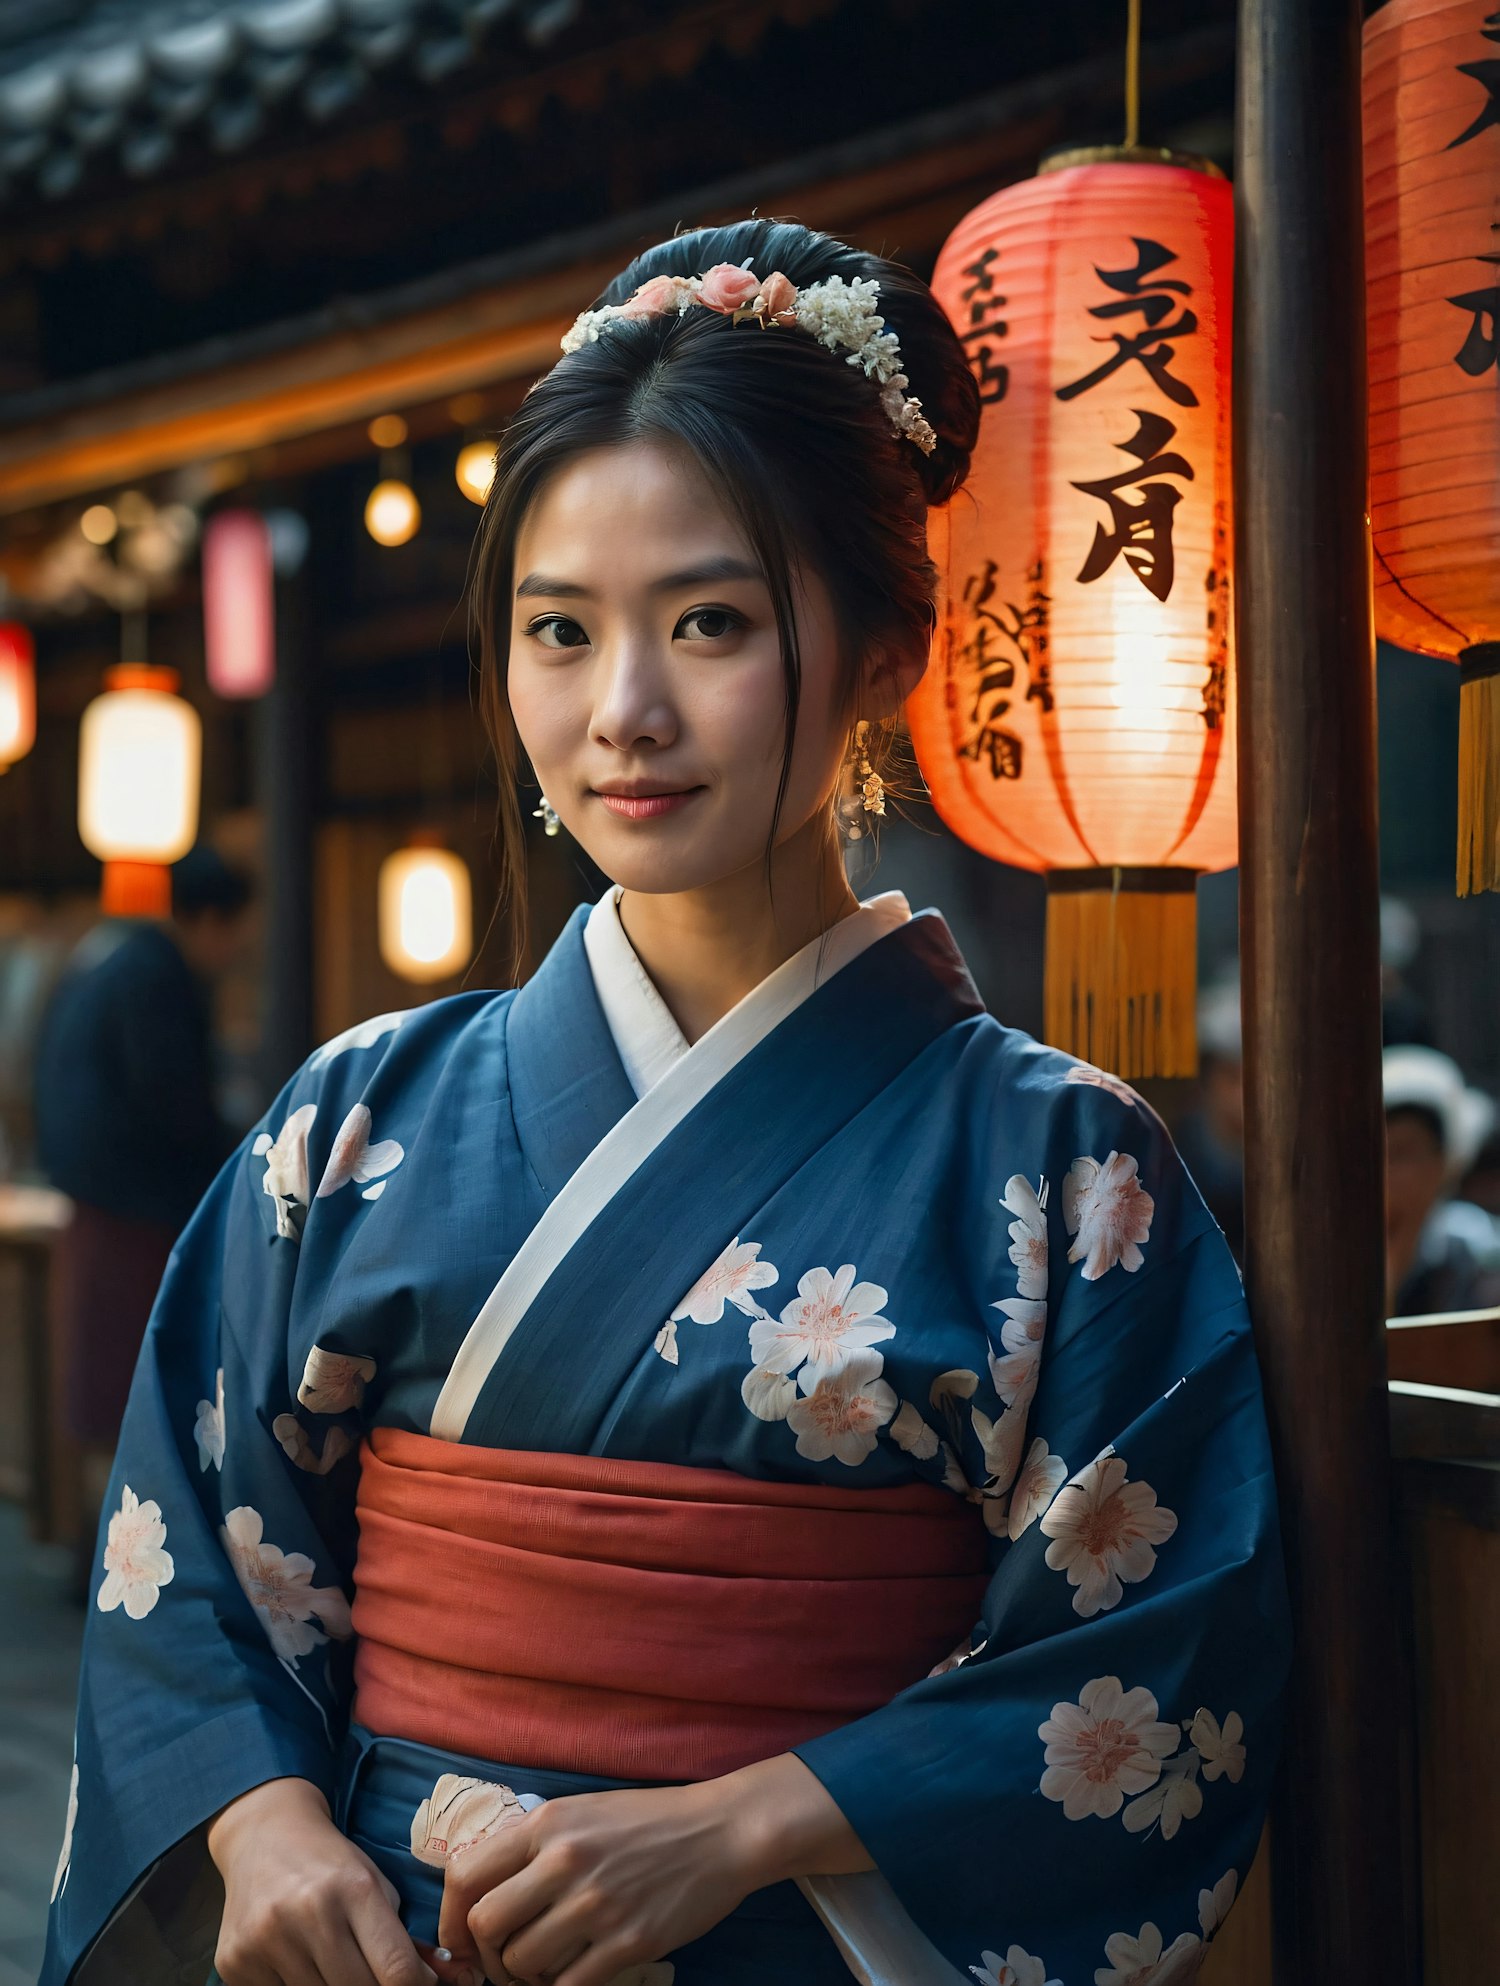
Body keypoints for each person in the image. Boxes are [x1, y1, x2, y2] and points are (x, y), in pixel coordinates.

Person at [42, 223, 1287, 1986]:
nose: (623, 712)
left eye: (709, 621)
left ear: (881, 653)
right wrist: (266, 1827)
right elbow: (182, 1549)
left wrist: (751, 1819)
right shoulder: (351, 1118)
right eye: (560, 632)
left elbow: (1162, 1659)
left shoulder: (1067, 1169)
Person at [32, 845, 252, 1591]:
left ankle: (97, 1551)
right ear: (212, 920)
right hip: (132, 1207)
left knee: (105, 1384)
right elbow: (175, 1109)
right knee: (134, 1387)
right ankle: (114, 1558)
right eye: (236, 934)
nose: (237, 954)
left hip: (99, 1198)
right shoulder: (157, 978)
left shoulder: (118, 964)